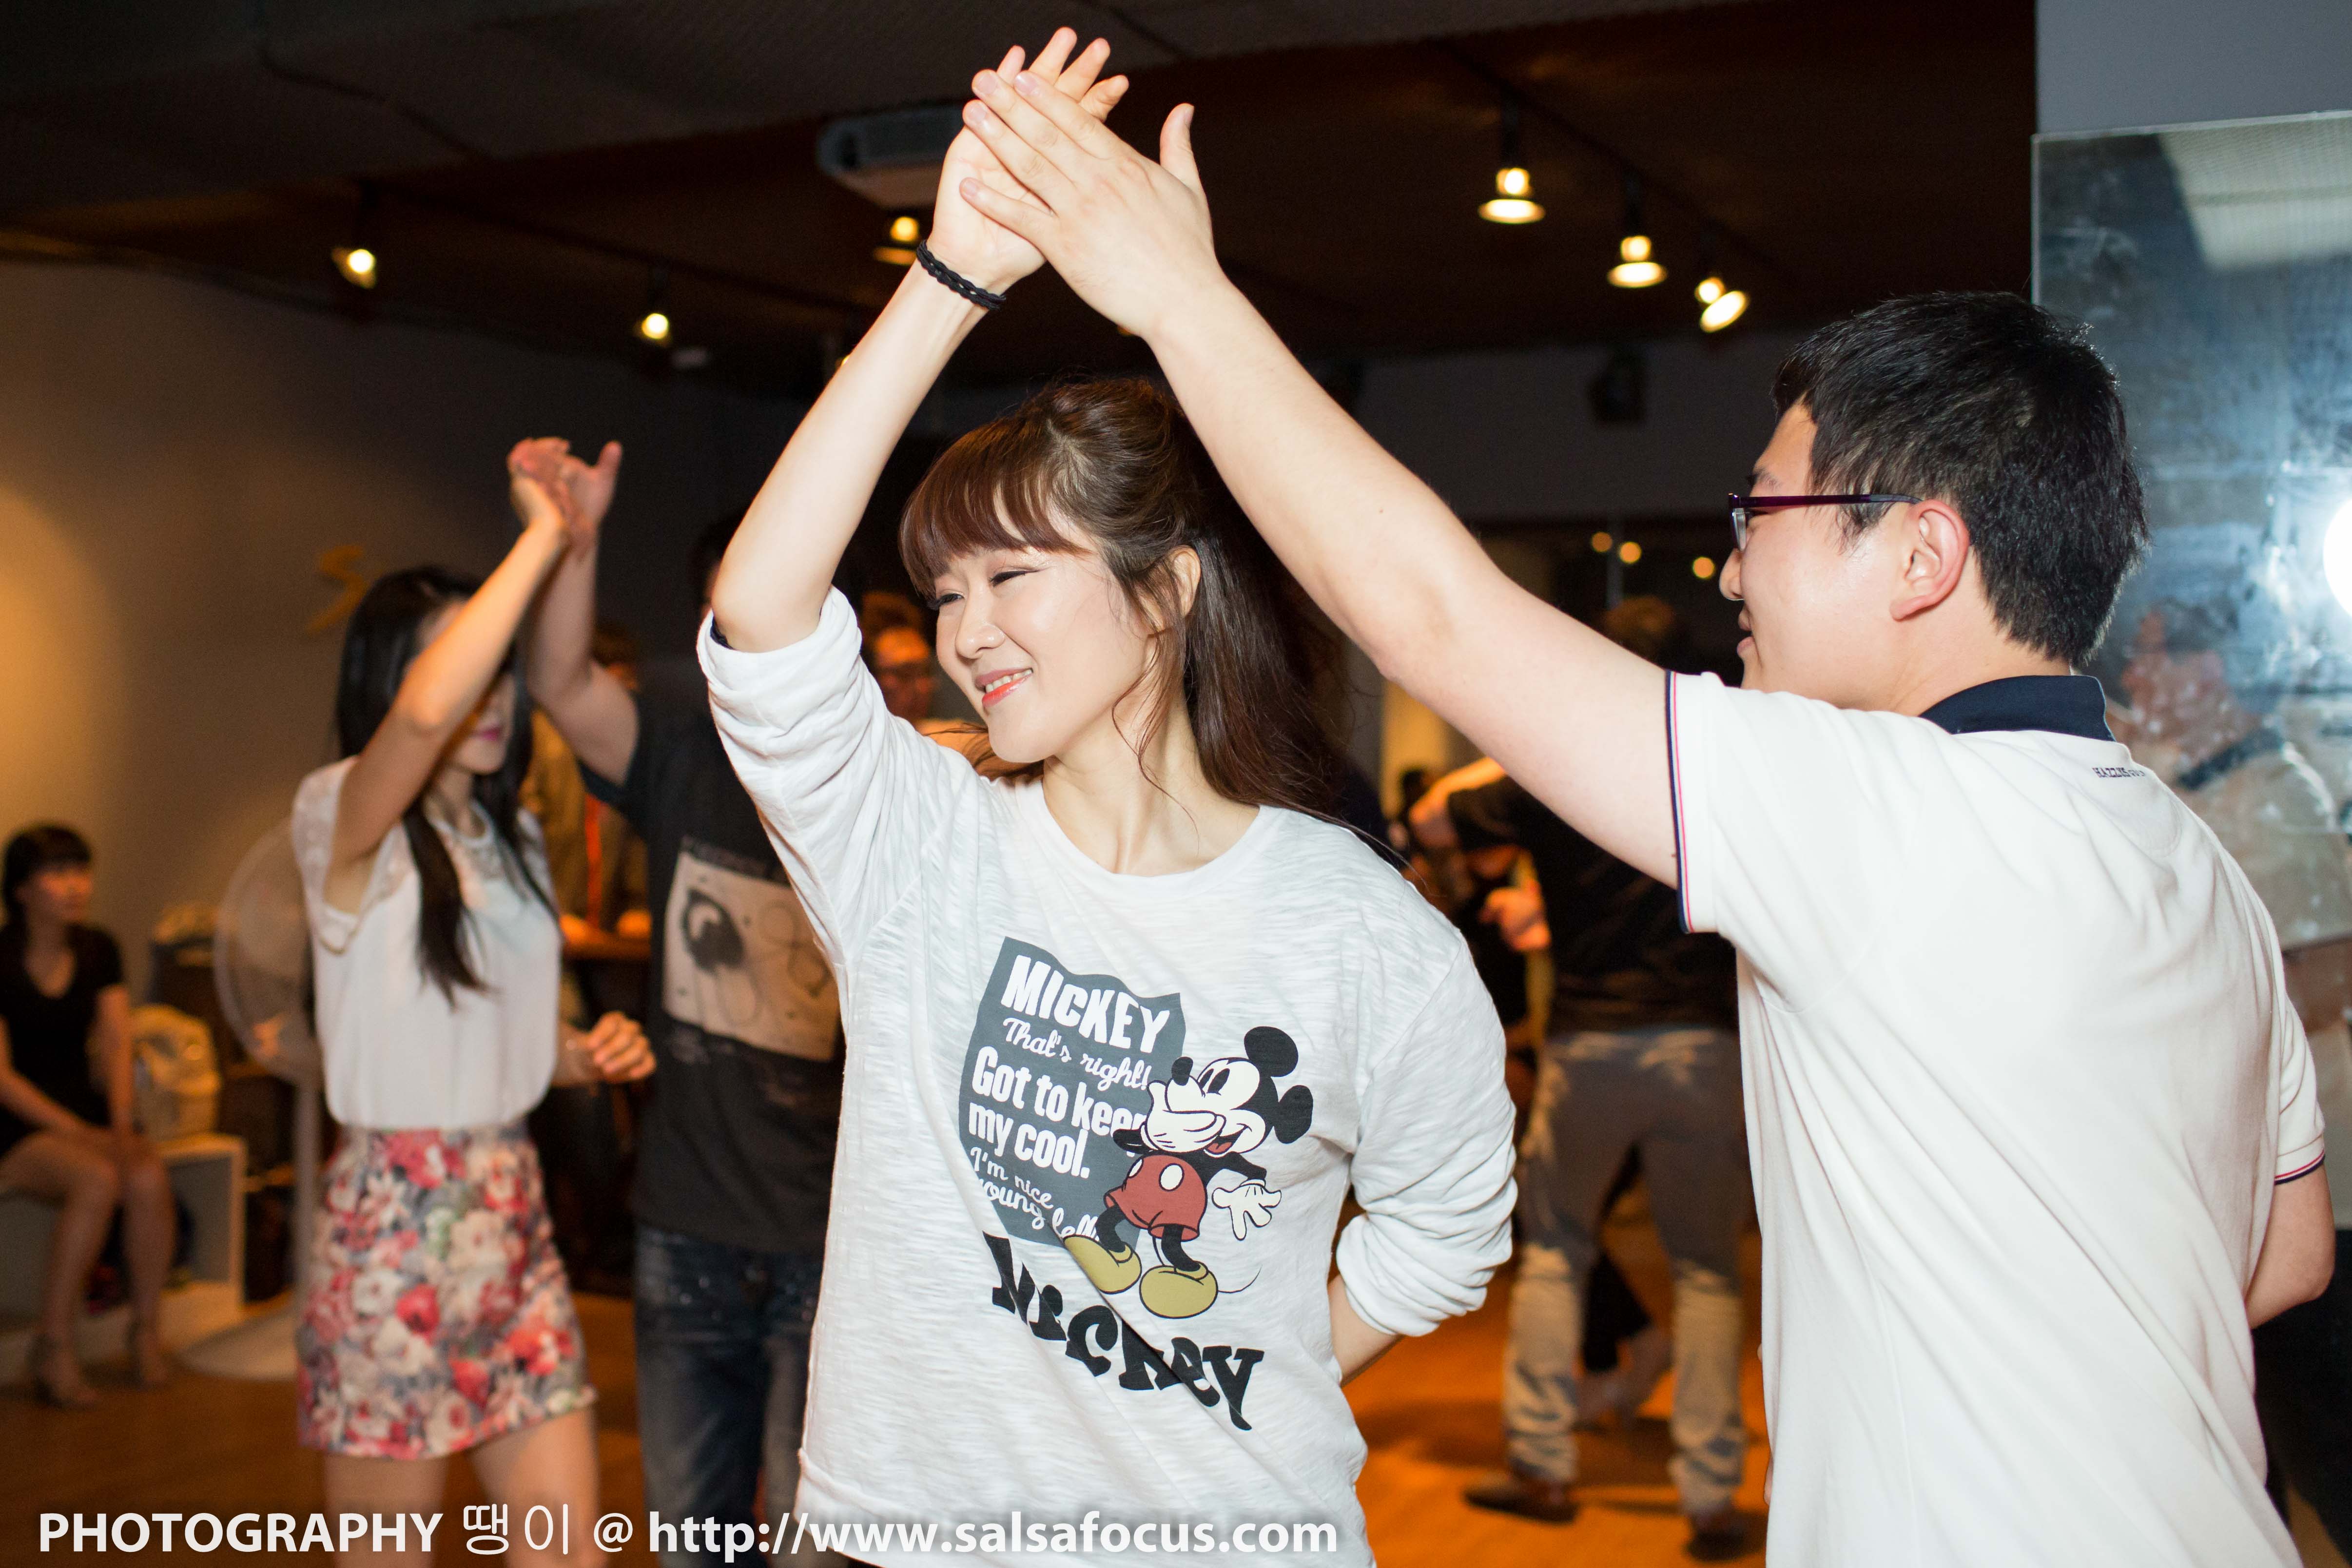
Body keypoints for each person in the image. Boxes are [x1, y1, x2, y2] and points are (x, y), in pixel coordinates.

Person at [956, 76, 2334, 1567]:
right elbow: (2284, 1256)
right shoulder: (2195, 866)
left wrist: (1178, 296)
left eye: (1763, 516)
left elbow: (1430, 614)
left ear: (1921, 555)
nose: (1731, 572)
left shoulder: (1883, 813)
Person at [698, 31, 1515, 1566]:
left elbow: (1446, 1228)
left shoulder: (1361, 932)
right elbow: (761, 613)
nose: (965, 630)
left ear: (1167, 593)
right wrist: (950, 277)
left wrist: (1246, 1383)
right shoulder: (918, 850)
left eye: (1013, 573)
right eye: (944, 590)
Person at [292, 448, 653, 1568]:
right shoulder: (339, 814)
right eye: (469, 668)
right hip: (392, 1235)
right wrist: (541, 534)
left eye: (504, 672)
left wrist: (581, 1054)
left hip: (513, 1213)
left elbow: (500, 1039)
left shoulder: (512, 836)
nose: (491, 696)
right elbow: (421, 717)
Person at [522, 460, 845, 1567]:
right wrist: (574, 541)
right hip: (685, 1228)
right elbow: (560, 680)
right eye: (730, 614)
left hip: (830, 1244)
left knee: (812, 1548)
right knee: (691, 1541)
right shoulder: (677, 738)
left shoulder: (876, 772)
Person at [1415, 598, 1748, 1552]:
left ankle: (1542, 1464)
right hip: (1703, 1045)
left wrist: (1521, 730)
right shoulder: (1719, 766)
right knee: (1707, 1271)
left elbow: (1434, 819)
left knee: (1556, 1250)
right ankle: (1711, 1495)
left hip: (1592, 1044)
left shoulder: (1557, 768)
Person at [2119, 602, 2352, 1555]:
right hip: (2244, 1173)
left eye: (2149, 661)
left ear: (2208, 671)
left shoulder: (2277, 795)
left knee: (2322, 1445)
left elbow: (2328, 976)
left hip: (2312, 1181)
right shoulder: (2201, 781)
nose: (2135, 681)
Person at [0, 824, 175, 1405]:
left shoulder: (99, 949)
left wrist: (120, 1120)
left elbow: (118, 1040)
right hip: (17, 1119)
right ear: (22, 889)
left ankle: (145, 1329)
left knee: (146, 1174)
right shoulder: (2, 958)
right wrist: (79, 1133)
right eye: (57, 873)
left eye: (81, 870)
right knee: (96, 1178)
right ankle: (53, 1345)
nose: (75, 885)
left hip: (83, 1104)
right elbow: (3, 1077)